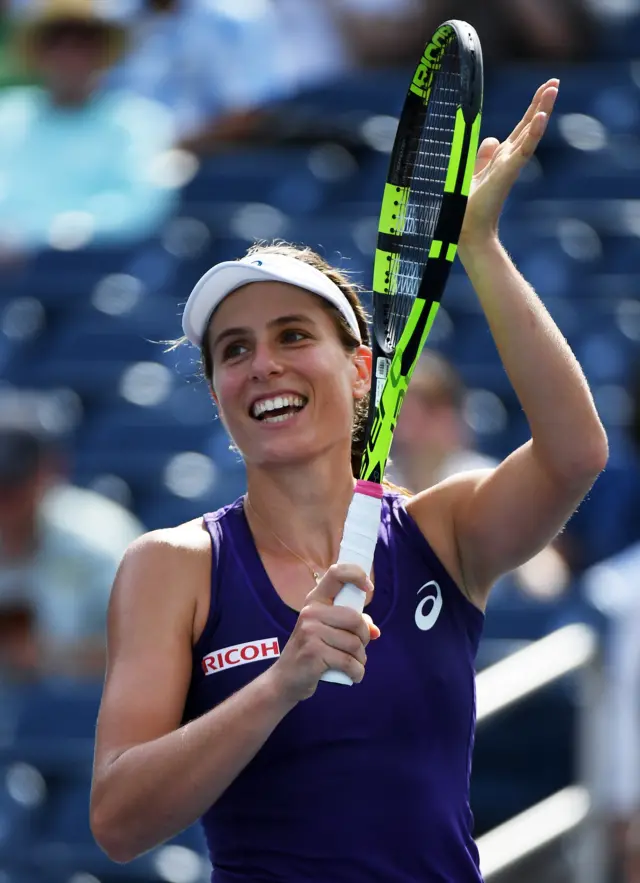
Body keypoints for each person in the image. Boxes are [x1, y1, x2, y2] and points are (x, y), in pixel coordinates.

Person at [90, 80, 608, 881]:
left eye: (293, 335)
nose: (262, 364)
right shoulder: (172, 565)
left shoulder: (444, 530)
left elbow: (575, 452)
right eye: (232, 350)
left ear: (362, 370)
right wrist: (280, 682)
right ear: (220, 393)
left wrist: (479, 244)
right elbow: (119, 820)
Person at [0, 0, 177, 258]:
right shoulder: (7, 115)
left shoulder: (142, 122)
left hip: (102, 270)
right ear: (39, 54)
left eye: (83, 44)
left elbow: (144, 205)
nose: (69, 56)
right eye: (56, 43)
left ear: (102, 54)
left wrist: (51, 234)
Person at [0, 406, 136, 679]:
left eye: (11, 485)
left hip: (85, 710)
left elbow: (150, 649)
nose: (5, 501)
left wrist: (46, 656)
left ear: (46, 473)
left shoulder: (99, 535)